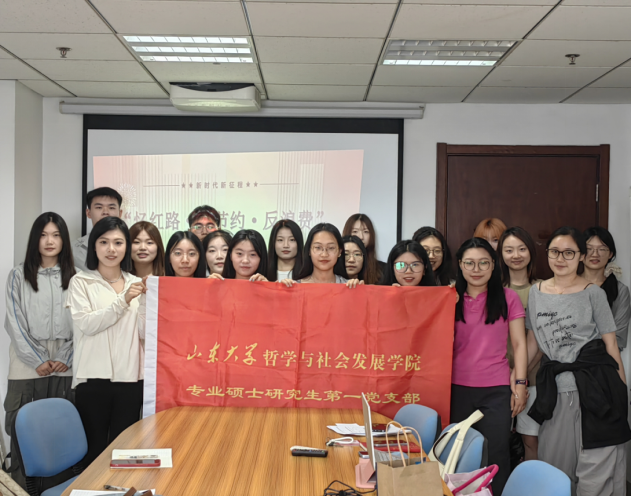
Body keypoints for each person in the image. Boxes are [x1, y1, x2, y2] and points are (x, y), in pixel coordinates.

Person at [525, 227, 628, 496]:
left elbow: (611, 345)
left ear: (581, 256)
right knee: (555, 467)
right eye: (555, 252)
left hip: (595, 386)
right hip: (555, 390)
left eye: (569, 253)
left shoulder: (594, 293)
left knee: (595, 470)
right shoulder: (536, 292)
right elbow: (533, 342)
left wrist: (621, 392)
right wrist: (518, 378)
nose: (561, 258)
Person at [66, 217, 146, 466]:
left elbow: (143, 332)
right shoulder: (81, 282)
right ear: (94, 246)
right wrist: (123, 300)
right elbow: (88, 324)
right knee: (94, 452)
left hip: (131, 378)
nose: (111, 249)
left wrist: (145, 302)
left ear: (127, 247)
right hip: (93, 378)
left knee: (125, 452)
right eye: (104, 242)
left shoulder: (136, 283)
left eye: (118, 243)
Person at [451, 237, 528, 495]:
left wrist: (520, 384)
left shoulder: (508, 297)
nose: (476, 269)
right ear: (460, 265)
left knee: (496, 454)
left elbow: (519, 344)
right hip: (455, 389)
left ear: (493, 265)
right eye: (469, 263)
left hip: (496, 390)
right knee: (458, 455)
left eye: (483, 263)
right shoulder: (449, 298)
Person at [4, 213, 76, 486]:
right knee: (23, 431)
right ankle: (23, 489)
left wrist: (66, 356)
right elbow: (14, 321)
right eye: (43, 235)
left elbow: (82, 323)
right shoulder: (18, 274)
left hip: (65, 364)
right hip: (26, 364)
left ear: (64, 240)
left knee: (61, 433)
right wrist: (37, 358)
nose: (49, 241)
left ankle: (60, 488)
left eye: (56, 235)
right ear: (35, 238)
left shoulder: (77, 277)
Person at [497, 227, 540, 460]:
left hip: (533, 378)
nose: (516, 255)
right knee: (497, 438)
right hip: (497, 377)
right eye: (509, 250)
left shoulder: (543, 288)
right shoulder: (493, 290)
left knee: (531, 439)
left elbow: (543, 339)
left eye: (522, 249)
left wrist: (520, 377)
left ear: (531, 251)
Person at [582, 226, 630, 350]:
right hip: (565, 358)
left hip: (602, 358)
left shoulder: (620, 290)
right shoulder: (568, 285)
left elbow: (619, 338)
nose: (595, 254)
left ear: (610, 254)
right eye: (589, 249)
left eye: (602, 249)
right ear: (580, 253)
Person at [283, 223, 362, 288]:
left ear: (339, 252)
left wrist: (359, 291)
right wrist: (283, 290)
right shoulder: (296, 286)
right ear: (309, 251)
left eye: (331, 248)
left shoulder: (348, 286)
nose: (324, 254)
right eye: (318, 247)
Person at [73, 187, 123, 271]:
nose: (105, 212)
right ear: (88, 213)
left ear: (120, 213)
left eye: (111, 208)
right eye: (99, 207)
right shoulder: (73, 250)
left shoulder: (131, 246)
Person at [342, 214, 384, 284]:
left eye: (366, 232)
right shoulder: (335, 267)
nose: (361, 237)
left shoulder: (382, 270)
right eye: (355, 231)